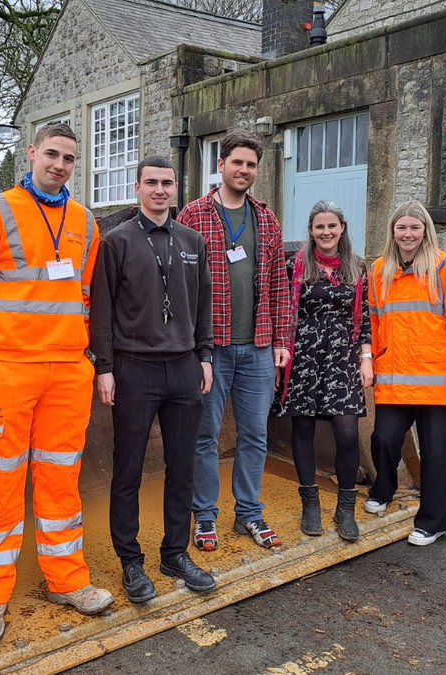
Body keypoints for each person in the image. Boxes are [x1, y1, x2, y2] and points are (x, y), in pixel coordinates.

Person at [0, 123, 113, 642]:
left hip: (67, 373)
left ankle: (67, 581)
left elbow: (85, 297)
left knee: (62, 481)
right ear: (32, 154)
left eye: (69, 158)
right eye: (52, 154)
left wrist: (81, 355)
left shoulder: (86, 222)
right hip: (9, 373)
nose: (60, 165)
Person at [90, 156, 218, 602]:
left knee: (181, 467)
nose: (160, 190)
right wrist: (103, 367)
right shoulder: (116, 242)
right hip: (133, 369)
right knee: (127, 469)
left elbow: (204, 305)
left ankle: (174, 554)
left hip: (183, 368)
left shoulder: (192, 241)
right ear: (138, 188)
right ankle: (131, 562)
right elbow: (102, 310)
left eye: (167, 183)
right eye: (151, 183)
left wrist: (204, 356)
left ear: (175, 188)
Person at [179, 130, 294, 551]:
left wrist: (282, 338)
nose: (243, 170)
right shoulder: (193, 216)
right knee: (204, 436)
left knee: (255, 435)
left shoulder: (266, 219)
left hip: (259, 347)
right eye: (237, 162)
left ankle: (249, 512)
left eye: (251, 165)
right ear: (221, 165)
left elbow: (279, 286)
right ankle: (204, 516)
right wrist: (191, 347)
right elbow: (180, 283)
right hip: (212, 349)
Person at [366, 201, 446, 546]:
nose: (408, 234)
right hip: (395, 375)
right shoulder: (380, 270)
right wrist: (369, 358)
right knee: (383, 439)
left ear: (425, 230)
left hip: (437, 379)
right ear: (393, 232)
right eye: (402, 228)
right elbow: (373, 322)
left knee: (437, 453)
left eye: (415, 227)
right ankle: (383, 490)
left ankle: (434, 520)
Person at [277, 201, 372, 542]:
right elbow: (283, 311)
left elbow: (363, 320)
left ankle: (346, 507)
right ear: (311, 230)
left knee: (346, 433)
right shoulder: (295, 267)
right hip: (303, 359)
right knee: (302, 429)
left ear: (342, 228)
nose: (326, 232)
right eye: (320, 227)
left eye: (332, 226)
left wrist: (366, 357)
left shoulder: (358, 268)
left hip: (341, 360)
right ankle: (311, 503)